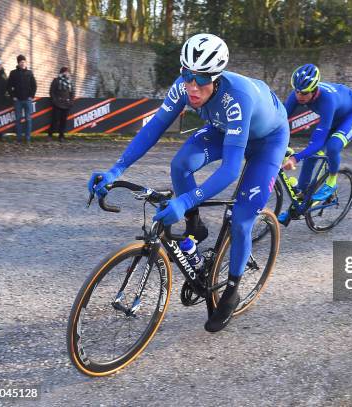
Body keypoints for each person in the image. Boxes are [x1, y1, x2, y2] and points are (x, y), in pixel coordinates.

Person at [87, 34, 289, 333]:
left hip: (267, 140)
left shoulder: (237, 97)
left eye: (202, 80)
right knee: (180, 164)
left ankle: (231, 291)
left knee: (242, 219)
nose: (192, 87)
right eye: (187, 75)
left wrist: (184, 200)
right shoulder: (184, 87)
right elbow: (154, 127)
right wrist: (116, 169)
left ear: (217, 78)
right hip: (225, 131)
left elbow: (231, 169)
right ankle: (196, 226)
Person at [279, 64, 352, 221]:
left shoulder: (327, 100)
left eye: (304, 93)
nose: (299, 96)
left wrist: (295, 158)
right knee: (311, 156)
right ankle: (301, 200)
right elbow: (280, 121)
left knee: (332, 146)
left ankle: (331, 182)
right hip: (332, 119)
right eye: (296, 91)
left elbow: (317, 142)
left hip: (351, 116)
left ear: (314, 89)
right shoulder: (296, 94)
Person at [7, 54, 37, 143]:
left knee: (28, 119)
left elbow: (34, 86)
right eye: (21, 62)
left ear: (26, 62)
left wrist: (31, 96)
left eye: (24, 62)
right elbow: (8, 86)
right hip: (18, 101)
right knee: (18, 119)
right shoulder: (13, 73)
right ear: (18, 63)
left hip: (27, 100)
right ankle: (18, 139)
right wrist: (13, 96)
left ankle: (28, 139)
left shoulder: (30, 73)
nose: (22, 63)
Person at [49, 67, 74, 142]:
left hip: (66, 104)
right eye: (65, 72)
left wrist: (71, 101)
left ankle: (61, 136)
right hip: (57, 104)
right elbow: (51, 91)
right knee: (55, 120)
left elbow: (72, 93)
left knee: (63, 121)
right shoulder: (56, 80)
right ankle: (50, 135)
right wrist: (54, 100)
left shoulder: (69, 82)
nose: (66, 73)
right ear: (61, 72)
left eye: (67, 72)